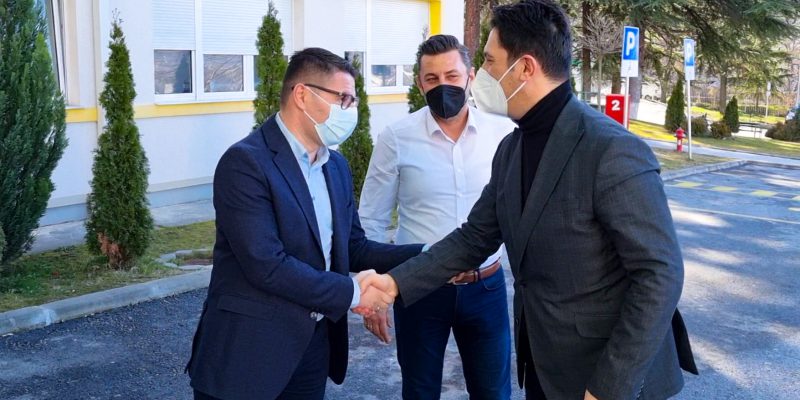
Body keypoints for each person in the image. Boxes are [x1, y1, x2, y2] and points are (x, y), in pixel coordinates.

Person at [360, 1, 698, 399]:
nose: (482, 74)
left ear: (524, 68)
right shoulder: (512, 147)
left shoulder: (610, 149)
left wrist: (607, 388)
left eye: (489, 61)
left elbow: (659, 274)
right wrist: (395, 282)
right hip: (543, 362)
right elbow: (474, 237)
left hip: (604, 374)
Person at [185, 48, 423, 400]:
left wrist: (430, 256)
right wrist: (356, 292)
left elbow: (353, 247)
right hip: (248, 354)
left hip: (311, 349)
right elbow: (267, 265)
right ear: (302, 94)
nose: (350, 110)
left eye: (353, 101)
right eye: (343, 98)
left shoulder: (335, 166)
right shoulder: (245, 163)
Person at [358, 34, 515, 399]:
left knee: (494, 393)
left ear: (470, 77)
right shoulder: (396, 137)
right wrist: (373, 292)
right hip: (419, 288)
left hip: (486, 285)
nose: (443, 86)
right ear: (420, 84)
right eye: (432, 79)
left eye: (452, 76)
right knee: (419, 391)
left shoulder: (503, 133)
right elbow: (372, 220)